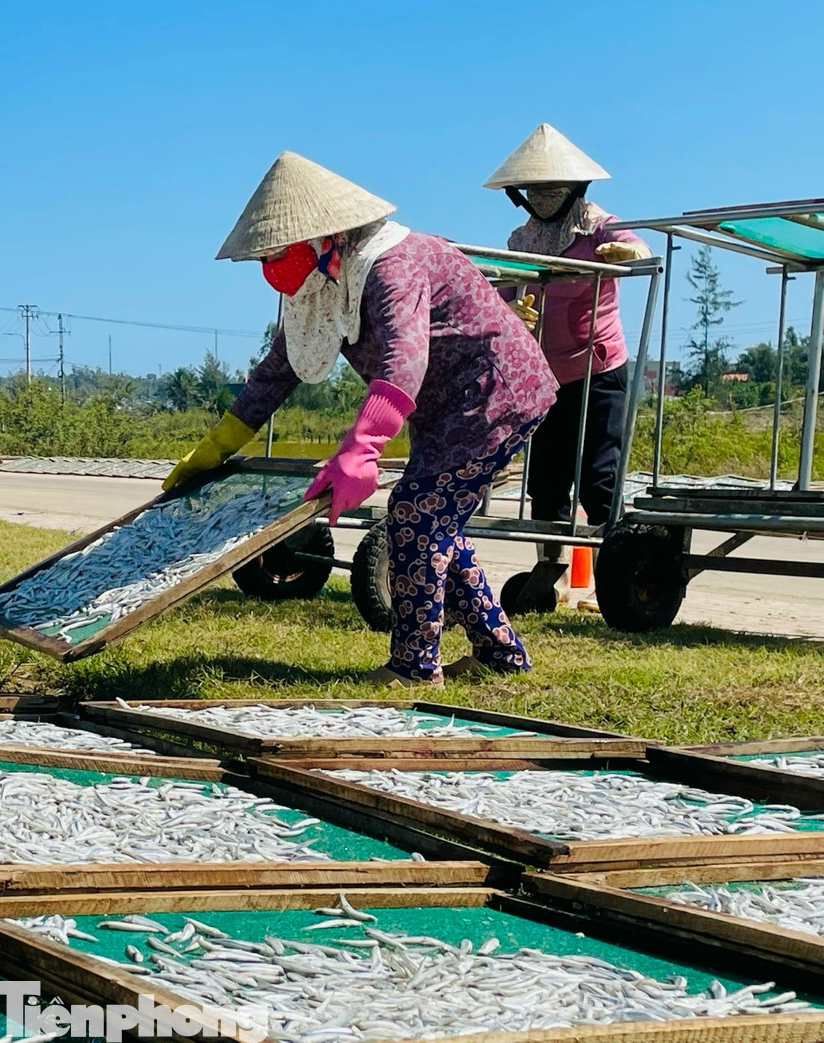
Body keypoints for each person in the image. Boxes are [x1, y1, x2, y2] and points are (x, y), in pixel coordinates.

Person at [165, 152, 557, 686]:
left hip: (495, 394)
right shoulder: (326, 281)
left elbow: (404, 356)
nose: (272, 264)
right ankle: (500, 656)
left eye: (281, 250)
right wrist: (217, 443)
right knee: (431, 520)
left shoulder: (394, 262)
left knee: (417, 514)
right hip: (445, 407)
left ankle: (415, 667)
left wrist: (363, 445)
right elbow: (279, 369)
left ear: (325, 236)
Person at [485, 124, 651, 604]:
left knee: (599, 475)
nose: (543, 199)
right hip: (545, 376)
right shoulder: (521, 238)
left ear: (575, 188)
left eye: (552, 190)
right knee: (547, 479)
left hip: (598, 369)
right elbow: (501, 291)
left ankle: (614, 569)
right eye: (534, 191)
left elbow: (640, 250)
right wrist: (510, 309)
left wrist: (627, 254)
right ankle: (549, 568)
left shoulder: (599, 225)